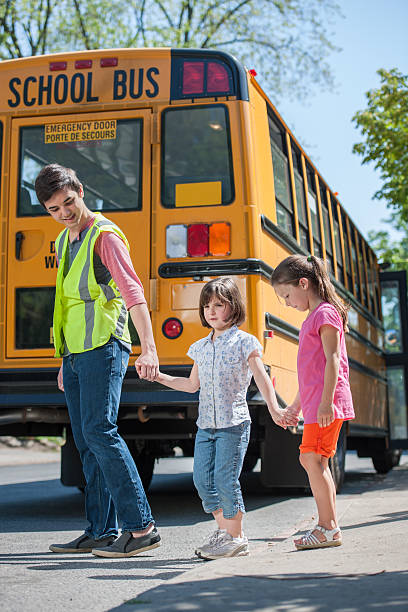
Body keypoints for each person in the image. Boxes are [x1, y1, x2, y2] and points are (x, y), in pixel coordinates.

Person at [34, 164, 161, 558]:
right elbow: (66, 305)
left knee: (101, 432)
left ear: (80, 191)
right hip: (76, 354)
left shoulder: (104, 237)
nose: (64, 213)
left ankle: (141, 529)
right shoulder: (63, 240)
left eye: (69, 203)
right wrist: (64, 358)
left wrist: (149, 348)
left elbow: (133, 292)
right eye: (55, 209)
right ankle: (102, 531)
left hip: (104, 346)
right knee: (87, 441)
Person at [141, 277, 296, 559]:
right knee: (202, 481)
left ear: (233, 307)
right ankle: (224, 531)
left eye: (219, 305)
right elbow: (191, 385)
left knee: (226, 480)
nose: (211, 311)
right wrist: (158, 375)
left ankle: (236, 537)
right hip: (206, 427)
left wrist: (275, 409)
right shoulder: (200, 347)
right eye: (207, 306)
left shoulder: (244, 342)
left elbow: (261, 379)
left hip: (233, 424)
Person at [271, 254, 354, 550]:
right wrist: (296, 406)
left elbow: (333, 360)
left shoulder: (325, 313)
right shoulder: (314, 316)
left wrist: (325, 403)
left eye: (287, 295)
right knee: (316, 460)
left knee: (310, 459)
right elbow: (312, 373)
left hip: (328, 404)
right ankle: (328, 526)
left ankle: (328, 527)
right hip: (320, 402)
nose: (287, 302)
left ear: (303, 283)